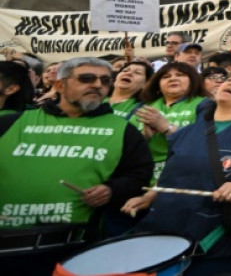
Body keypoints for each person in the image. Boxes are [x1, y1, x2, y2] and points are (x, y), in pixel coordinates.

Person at [0, 57, 153, 275]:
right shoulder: (11, 123)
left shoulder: (124, 131)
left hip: (74, 248)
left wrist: (111, 190)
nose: (98, 85)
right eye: (87, 78)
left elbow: (139, 176)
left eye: (105, 80)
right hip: (7, 246)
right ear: (60, 84)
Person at [122, 68, 231, 276]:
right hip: (164, 226)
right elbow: (171, 174)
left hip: (214, 238)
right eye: (229, 79)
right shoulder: (187, 131)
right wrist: (150, 196)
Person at [133, 62, 208, 182]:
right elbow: (126, 148)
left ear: (193, 80)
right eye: (166, 77)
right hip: (142, 177)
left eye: (180, 75)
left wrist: (166, 127)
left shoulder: (205, 104)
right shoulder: (144, 108)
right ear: (158, 84)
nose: (173, 78)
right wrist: (145, 136)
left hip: (183, 177)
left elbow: (204, 141)